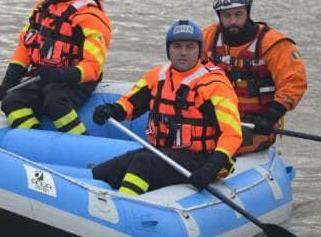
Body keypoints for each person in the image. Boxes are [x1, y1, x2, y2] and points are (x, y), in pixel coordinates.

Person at [90, 20, 242, 196]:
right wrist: (110, 110)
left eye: (190, 47)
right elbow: (130, 104)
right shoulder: (157, 76)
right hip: (163, 153)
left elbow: (232, 134)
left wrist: (209, 170)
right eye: (177, 46)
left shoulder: (215, 84)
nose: (183, 53)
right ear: (168, 50)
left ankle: (124, 207)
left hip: (200, 159)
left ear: (200, 50)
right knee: (103, 172)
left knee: (144, 162)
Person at [0, 0, 113, 135]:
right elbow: (24, 48)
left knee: (54, 101)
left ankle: (80, 142)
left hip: (75, 80)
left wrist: (58, 75)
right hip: (44, 75)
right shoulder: (42, 9)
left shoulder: (91, 18)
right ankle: (33, 140)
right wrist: (9, 81)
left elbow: (92, 68)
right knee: (11, 101)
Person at [201, 0, 306, 155]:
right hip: (217, 118)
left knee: (221, 147)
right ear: (219, 16)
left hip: (256, 124)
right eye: (227, 16)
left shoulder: (274, 44)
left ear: (247, 13)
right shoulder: (207, 38)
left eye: (238, 14)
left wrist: (271, 116)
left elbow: (293, 84)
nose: (233, 21)